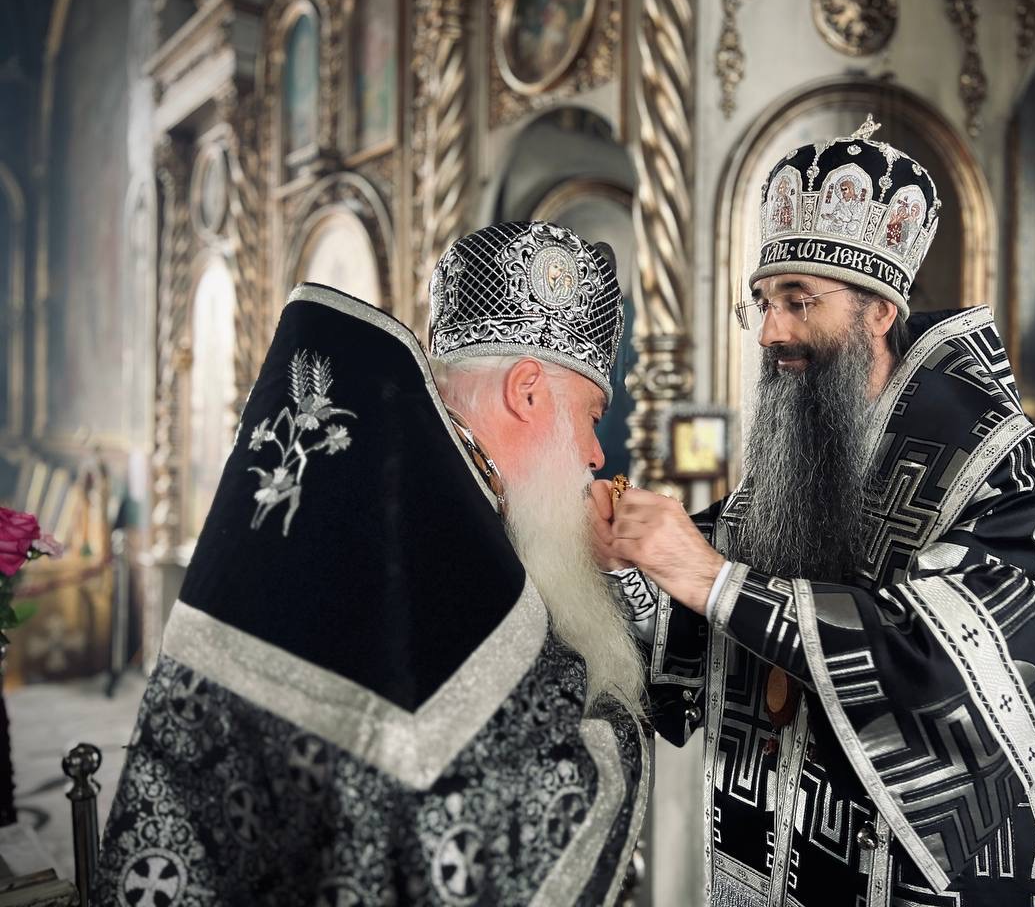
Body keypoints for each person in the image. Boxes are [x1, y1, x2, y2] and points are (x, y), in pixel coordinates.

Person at [592, 117, 1035, 907]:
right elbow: (706, 608)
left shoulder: (1002, 467)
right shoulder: (809, 452)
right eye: (763, 303)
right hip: (793, 853)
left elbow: (962, 670)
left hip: (954, 873)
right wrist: (628, 559)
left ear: (879, 311)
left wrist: (710, 578)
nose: (771, 331)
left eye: (799, 301)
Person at [96, 221, 647, 905]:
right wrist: (620, 719)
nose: (596, 454)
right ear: (528, 391)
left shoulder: (368, 491)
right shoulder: (446, 541)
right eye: (592, 415)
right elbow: (521, 818)